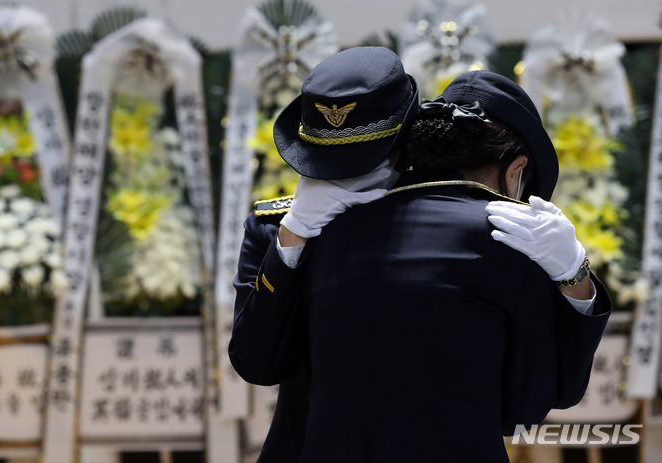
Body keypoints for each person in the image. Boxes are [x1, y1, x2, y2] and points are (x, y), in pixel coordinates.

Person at [232, 68, 612, 461]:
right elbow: (526, 407)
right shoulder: (512, 242)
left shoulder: (301, 229)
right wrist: (574, 273)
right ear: (516, 172)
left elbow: (259, 365)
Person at [231, 46, 419, 462]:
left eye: (360, 161)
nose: (343, 174)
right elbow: (257, 362)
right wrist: (293, 238)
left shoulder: (441, 223)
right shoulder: (273, 228)